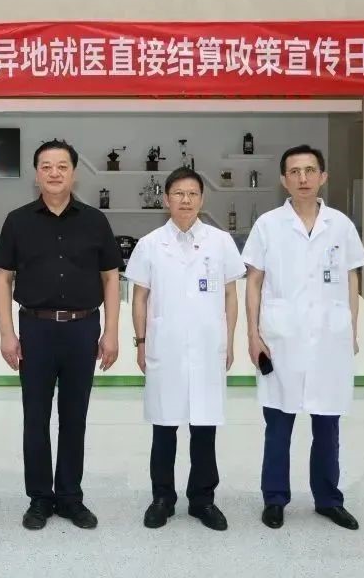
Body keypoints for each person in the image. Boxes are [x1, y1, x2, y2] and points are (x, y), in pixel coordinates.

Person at [0, 139, 122, 531]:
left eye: (62, 166)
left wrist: (111, 332)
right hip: (36, 329)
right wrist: (7, 333)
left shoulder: (95, 221)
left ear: (73, 173)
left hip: (83, 330)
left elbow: (110, 277)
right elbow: (3, 278)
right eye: (46, 166)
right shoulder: (18, 221)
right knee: (35, 418)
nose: (54, 173)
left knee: (74, 417)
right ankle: (39, 498)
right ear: (36, 174)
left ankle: (70, 497)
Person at [242, 145, 364, 531]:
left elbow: (351, 276)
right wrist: (253, 333)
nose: (303, 178)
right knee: (278, 424)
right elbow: (254, 281)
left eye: (310, 170)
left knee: (328, 426)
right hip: (282, 338)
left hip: (330, 339)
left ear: (323, 177)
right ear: (284, 179)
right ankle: (275, 499)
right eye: (294, 172)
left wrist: (351, 328)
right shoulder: (268, 224)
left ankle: (328, 499)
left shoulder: (340, 225)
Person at [124, 167, 244, 532]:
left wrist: (228, 341)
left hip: (208, 347)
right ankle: (162, 498)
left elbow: (230, 295)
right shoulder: (150, 244)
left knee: (204, 427)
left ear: (202, 199)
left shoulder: (220, 242)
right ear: (166, 199)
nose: (186, 200)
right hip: (166, 346)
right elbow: (139, 298)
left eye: (192, 194)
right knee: (164, 428)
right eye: (178, 193)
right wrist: (141, 342)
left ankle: (203, 500)